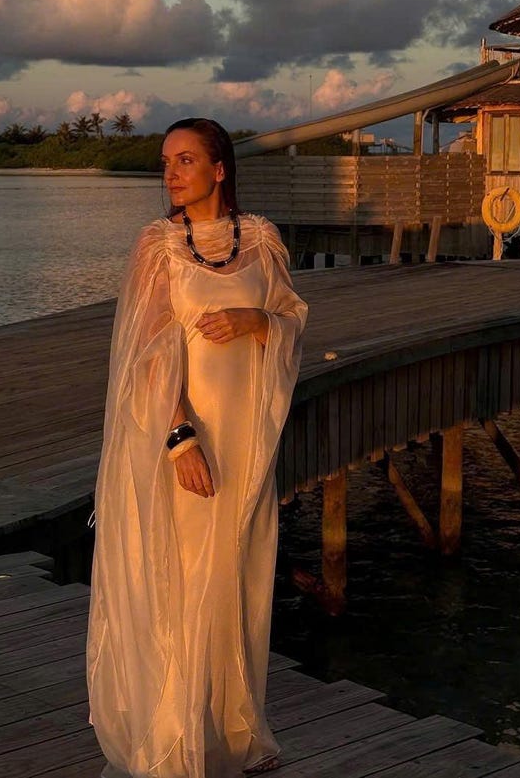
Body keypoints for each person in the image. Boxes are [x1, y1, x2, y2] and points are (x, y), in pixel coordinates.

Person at [86, 118, 308, 778]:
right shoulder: (158, 247)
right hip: (187, 441)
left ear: (219, 169)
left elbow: (294, 319)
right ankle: (174, 738)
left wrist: (257, 320)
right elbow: (147, 356)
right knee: (182, 583)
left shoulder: (262, 241)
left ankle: (232, 733)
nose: (172, 172)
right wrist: (179, 438)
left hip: (245, 442)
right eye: (166, 162)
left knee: (236, 582)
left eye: (186, 159)